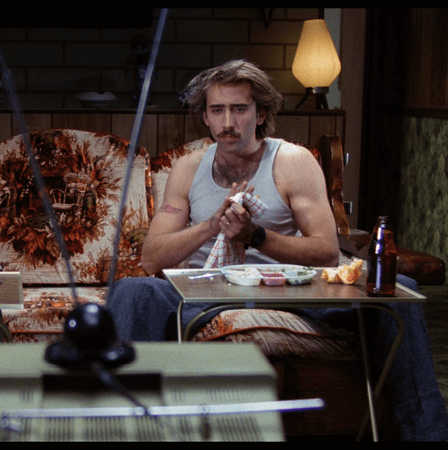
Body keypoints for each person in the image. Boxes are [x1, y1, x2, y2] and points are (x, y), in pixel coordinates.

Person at [106, 60, 448, 441]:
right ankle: (121, 429)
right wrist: (211, 225)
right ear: (205, 117)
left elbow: (326, 252)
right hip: (206, 290)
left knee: (397, 288)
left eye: (239, 109)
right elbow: (152, 257)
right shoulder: (188, 168)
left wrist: (255, 236)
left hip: (285, 292)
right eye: (217, 110)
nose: (228, 122)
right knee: (132, 291)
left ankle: (428, 434)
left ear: (260, 114)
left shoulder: (292, 161)